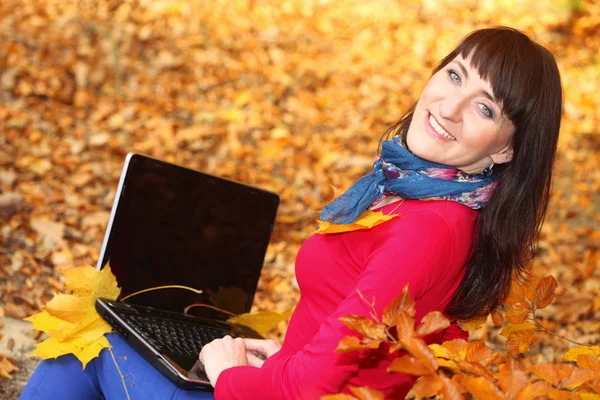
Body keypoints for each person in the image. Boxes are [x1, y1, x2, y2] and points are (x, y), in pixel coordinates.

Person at [21, 26, 562, 399]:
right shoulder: (423, 196)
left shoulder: (428, 226)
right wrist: (286, 354)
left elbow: (308, 390)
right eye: (454, 76)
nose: (449, 107)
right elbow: (369, 347)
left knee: (93, 336)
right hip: (284, 380)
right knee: (120, 332)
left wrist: (231, 375)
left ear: (505, 151)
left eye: (485, 108)